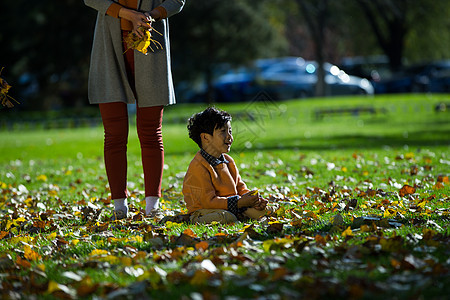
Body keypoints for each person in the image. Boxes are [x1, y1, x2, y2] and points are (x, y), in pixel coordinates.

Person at [84, 0, 185, 220]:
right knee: (114, 134)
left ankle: (153, 206)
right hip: (109, 48)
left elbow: (177, 1)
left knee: (151, 132)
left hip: (151, 48)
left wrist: (151, 15)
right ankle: (119, 206)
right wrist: (125, 13)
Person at [182, 107, 276, 224]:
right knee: (226, 217)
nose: (229, 137)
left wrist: (253, 199)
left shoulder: (228, 161)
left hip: (233, 206)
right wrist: (239, 202)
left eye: (230, 131)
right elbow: (208, 202)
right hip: (205, 210)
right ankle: (192, 220)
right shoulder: (199, 166)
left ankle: (241, 214)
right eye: (223, 131)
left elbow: (240, 188)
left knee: (265, 212)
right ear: (205, 137)